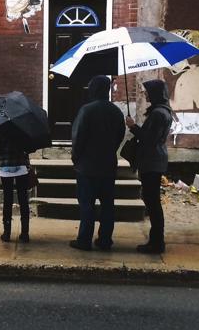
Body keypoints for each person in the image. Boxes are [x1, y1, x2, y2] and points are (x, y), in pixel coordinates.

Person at [70, 75, 126, 251]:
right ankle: (105, 239)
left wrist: (75, 157)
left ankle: (84, 239)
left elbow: (78, 137)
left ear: (94, 89)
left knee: (87, 204)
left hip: (87, 166)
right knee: (108, 204)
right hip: (108, 165)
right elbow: (120, 136)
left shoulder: (86, 110)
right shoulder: (116, 112)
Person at [126, 80, 173, 254]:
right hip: (155, 160)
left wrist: (133, 126)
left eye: (147, 91)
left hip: (152, 161)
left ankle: (157, 242)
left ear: (155, 93)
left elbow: (148, 138)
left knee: (152, 202)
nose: (145, 94)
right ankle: (156, 240)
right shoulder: (162, 111)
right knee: (152, 201)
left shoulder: (158, 114)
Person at [0, 125, 31, 243]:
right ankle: (25, 233)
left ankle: (7, 233)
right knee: (23, 199)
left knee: (7, 199)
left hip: (6, 167)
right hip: (21, 166)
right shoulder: (23, 128)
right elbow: (29, 148)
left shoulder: (1, 129)